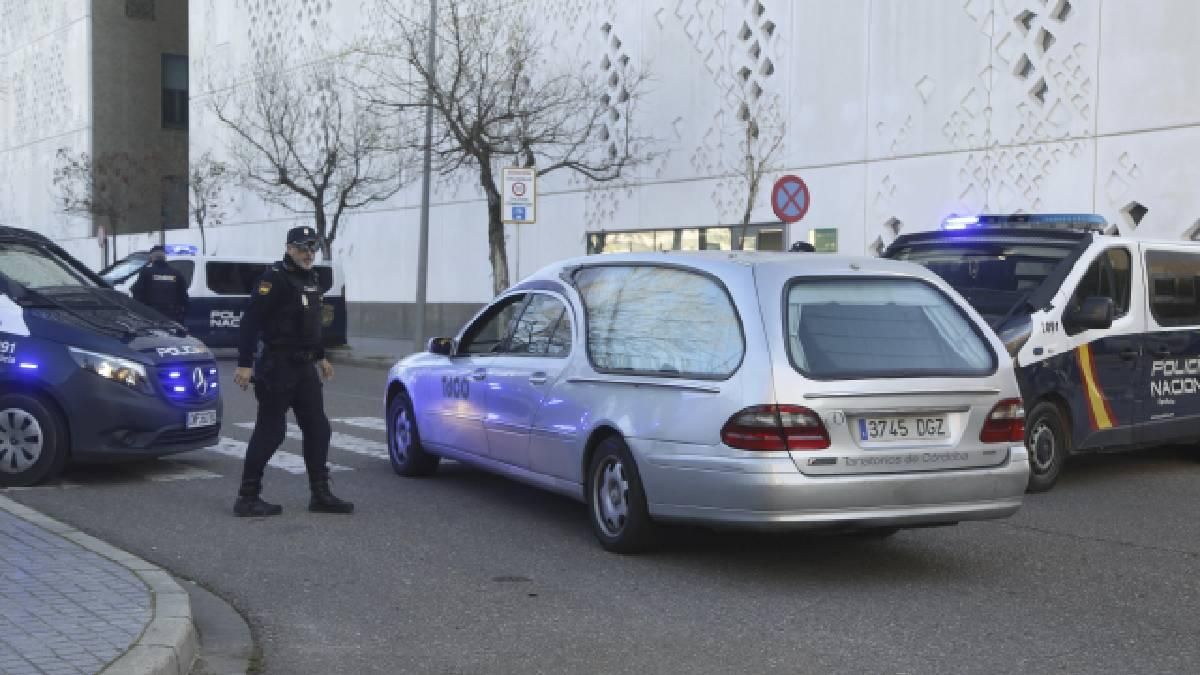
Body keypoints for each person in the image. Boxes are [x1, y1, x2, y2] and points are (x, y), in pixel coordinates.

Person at [231, 226, 352, 517]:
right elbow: (250, 321)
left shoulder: (310, 278)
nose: (308, 254)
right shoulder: (274, 279)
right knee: (271, 432)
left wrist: (321, 357)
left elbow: (310, 324)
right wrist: (245, 363)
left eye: (312, 248)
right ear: (288, 248)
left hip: (304, 367)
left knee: (318, 429)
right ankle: (247, 498)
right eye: (301, 248)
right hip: (278, 366)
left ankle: (320, 494)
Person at [130, 245, 189, 323]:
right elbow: (184, 296)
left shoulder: (146, 272)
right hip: (172, 316)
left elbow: (137, 292)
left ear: (151, 258)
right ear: (165, 257)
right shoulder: (176, 273)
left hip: (152, 315)